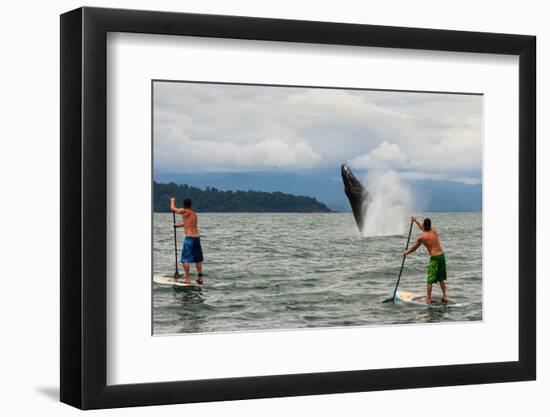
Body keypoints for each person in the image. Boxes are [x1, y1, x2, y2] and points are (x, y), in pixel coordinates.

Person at [403, 216, 448, 304]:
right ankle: (445, 296)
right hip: (442, 256)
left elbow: (414, 248)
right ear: (430, 226)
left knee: (430, 279)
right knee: (441, 278)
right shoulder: (434, 231)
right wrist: (415, 221)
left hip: (434, 258)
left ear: (424, 225)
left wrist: (406, 253)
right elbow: (423, 228)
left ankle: (428, 299)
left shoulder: (422, 237)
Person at [170, 197, 204, 285]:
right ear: (191, 205)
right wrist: (177, 226)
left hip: (189, 239)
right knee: (197, 259)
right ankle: (200, 279)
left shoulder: (184, 211)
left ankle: (187, 279)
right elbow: (188, 224)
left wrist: (172, 201)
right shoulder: (194, 214)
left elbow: (173, 209)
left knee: (185, 259)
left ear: (184, 205)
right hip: (197, 238)